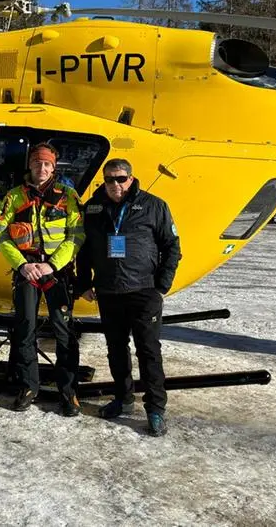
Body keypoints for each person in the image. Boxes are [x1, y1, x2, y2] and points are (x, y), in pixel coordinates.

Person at [76, 158, 181, 437]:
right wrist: (83, 282)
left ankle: (156, 408)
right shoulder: (93, 208)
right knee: (116, 349)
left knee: (148, 351)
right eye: (110, 179)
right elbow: (83, 250)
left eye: (121, 178)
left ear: (131, 179)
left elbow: (172, 246)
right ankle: (123, 398)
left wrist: (162, 284)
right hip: (109, 291)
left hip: (143, 291)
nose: (116, 185)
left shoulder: (153, 206)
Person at [0, 143, 84, 415]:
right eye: (37, 163)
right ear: (30, 166)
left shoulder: (68, 196)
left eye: (47, 164)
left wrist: (53, 265)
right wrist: (22, 265)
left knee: (63, 330)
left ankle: (68, 392)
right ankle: (28, 386)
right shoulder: (13, 197)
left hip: (56, 272)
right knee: (25, 328)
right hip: (27, 271)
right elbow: (1, 236)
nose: (42, 169)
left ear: (54, 167)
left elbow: (76, 235)